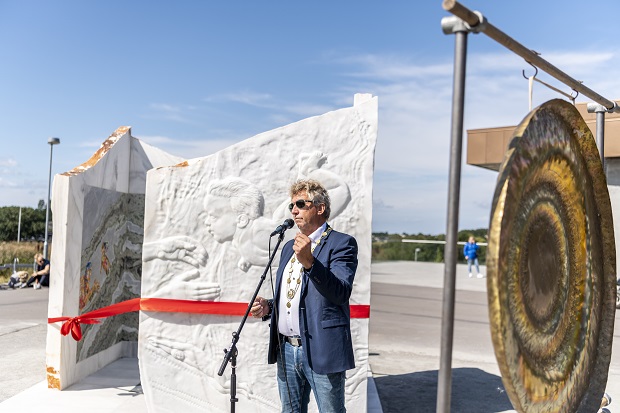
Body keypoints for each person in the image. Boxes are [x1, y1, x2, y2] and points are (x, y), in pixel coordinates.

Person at [251, 179, 358, 412]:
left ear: (320, 208)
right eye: (292, 206)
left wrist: (310, 262)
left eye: (301, 204)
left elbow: (340, 293)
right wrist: (269, 306)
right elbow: (295, 295)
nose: (294, 210)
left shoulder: (342, 244)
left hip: (322, 349)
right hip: (287, 350)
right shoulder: (289, 246)